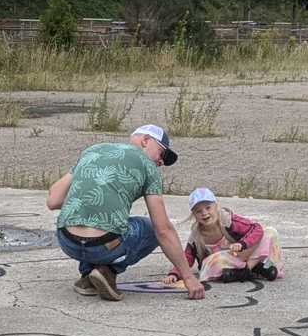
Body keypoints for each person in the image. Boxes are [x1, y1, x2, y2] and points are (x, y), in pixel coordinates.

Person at [45, 125, 205, 301]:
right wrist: (189, 278)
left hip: (68, 242)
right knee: (151, 227)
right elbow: (163, 230)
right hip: (103, 246)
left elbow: (54, 201)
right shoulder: (147, 166)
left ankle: (87, 278)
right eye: (162, 154)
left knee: (102, 220)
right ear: (146, 141)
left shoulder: (93, 150)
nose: (161, 162)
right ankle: (108, 271)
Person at [165, 189, 283, 285]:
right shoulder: (196, 235)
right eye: (198, 211)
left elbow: (256, 228)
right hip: (226, 262)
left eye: (208, 207)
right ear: (194, 215)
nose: (204, 213)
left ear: (216, 207)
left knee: (270, 232)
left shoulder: (227, 221)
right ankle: (256, 269)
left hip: (244, 255)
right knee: (211, 262)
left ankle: (246, 270)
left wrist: (242, 244)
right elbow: (187, 257)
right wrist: (174, 273)